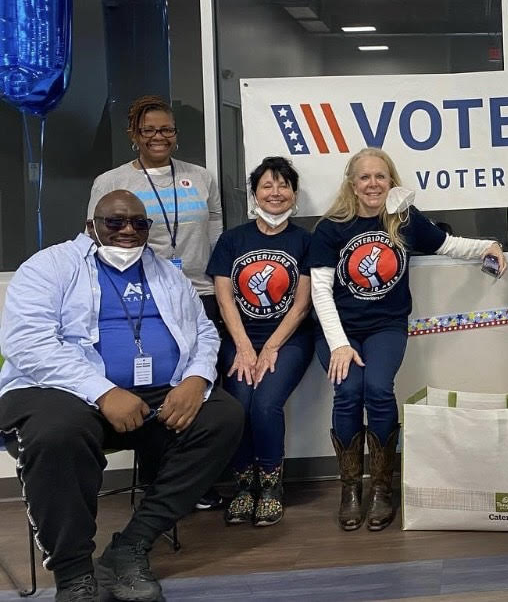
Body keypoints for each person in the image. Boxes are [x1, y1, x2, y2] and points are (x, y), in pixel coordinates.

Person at [0, 190, 243, 602]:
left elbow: (202, 331)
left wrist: (196, 380)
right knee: (56, 433)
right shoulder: (48, 267)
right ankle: (75, 576)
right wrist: (103, 391)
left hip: (154, 395)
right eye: (115, 222)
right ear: (90, 224)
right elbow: (28, 343)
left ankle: (130, 547)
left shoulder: (166, 272)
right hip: (61, 392)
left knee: (224, 417)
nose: (128, 230)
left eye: (139, 223)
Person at [309, 147, 507, 532]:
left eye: (380, 177)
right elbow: (320, 290)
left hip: (386, 325)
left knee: (378, 389)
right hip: (338, 331)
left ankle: (382, 488)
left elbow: (448, 245)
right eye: (365, 177)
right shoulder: (330, 228)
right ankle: (350, 489)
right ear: (352, 182)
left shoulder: (403, 220)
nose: (373, 184)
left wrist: (486, 246)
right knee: (349, 391)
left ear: (391, 181)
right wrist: (339, 344)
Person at [88, 94, 226, 511]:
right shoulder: (111, 182)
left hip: (199, 292)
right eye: (149, 130)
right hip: (142, 299)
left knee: (197, 387)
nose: (158, 137)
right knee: (153, 384)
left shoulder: (201, 176)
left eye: (166, 129)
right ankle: (157, 482)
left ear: (176, 135)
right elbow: (98, 237)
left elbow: (216, 225)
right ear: (135, 135)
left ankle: (194, 481)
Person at [206, 156, 313, 527]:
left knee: (265, 403)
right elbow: (224, 298)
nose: (275, 193)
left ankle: (270, 487)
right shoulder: (232, 239)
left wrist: (269, 347)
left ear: (294, 194)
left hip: (289, 341)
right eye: (267, 185)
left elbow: (301, 307)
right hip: (239, 338)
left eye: (283, 185)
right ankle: (244, 486)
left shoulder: (304, 241)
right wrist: (244, 346)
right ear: (254, 194)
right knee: (239, 405)